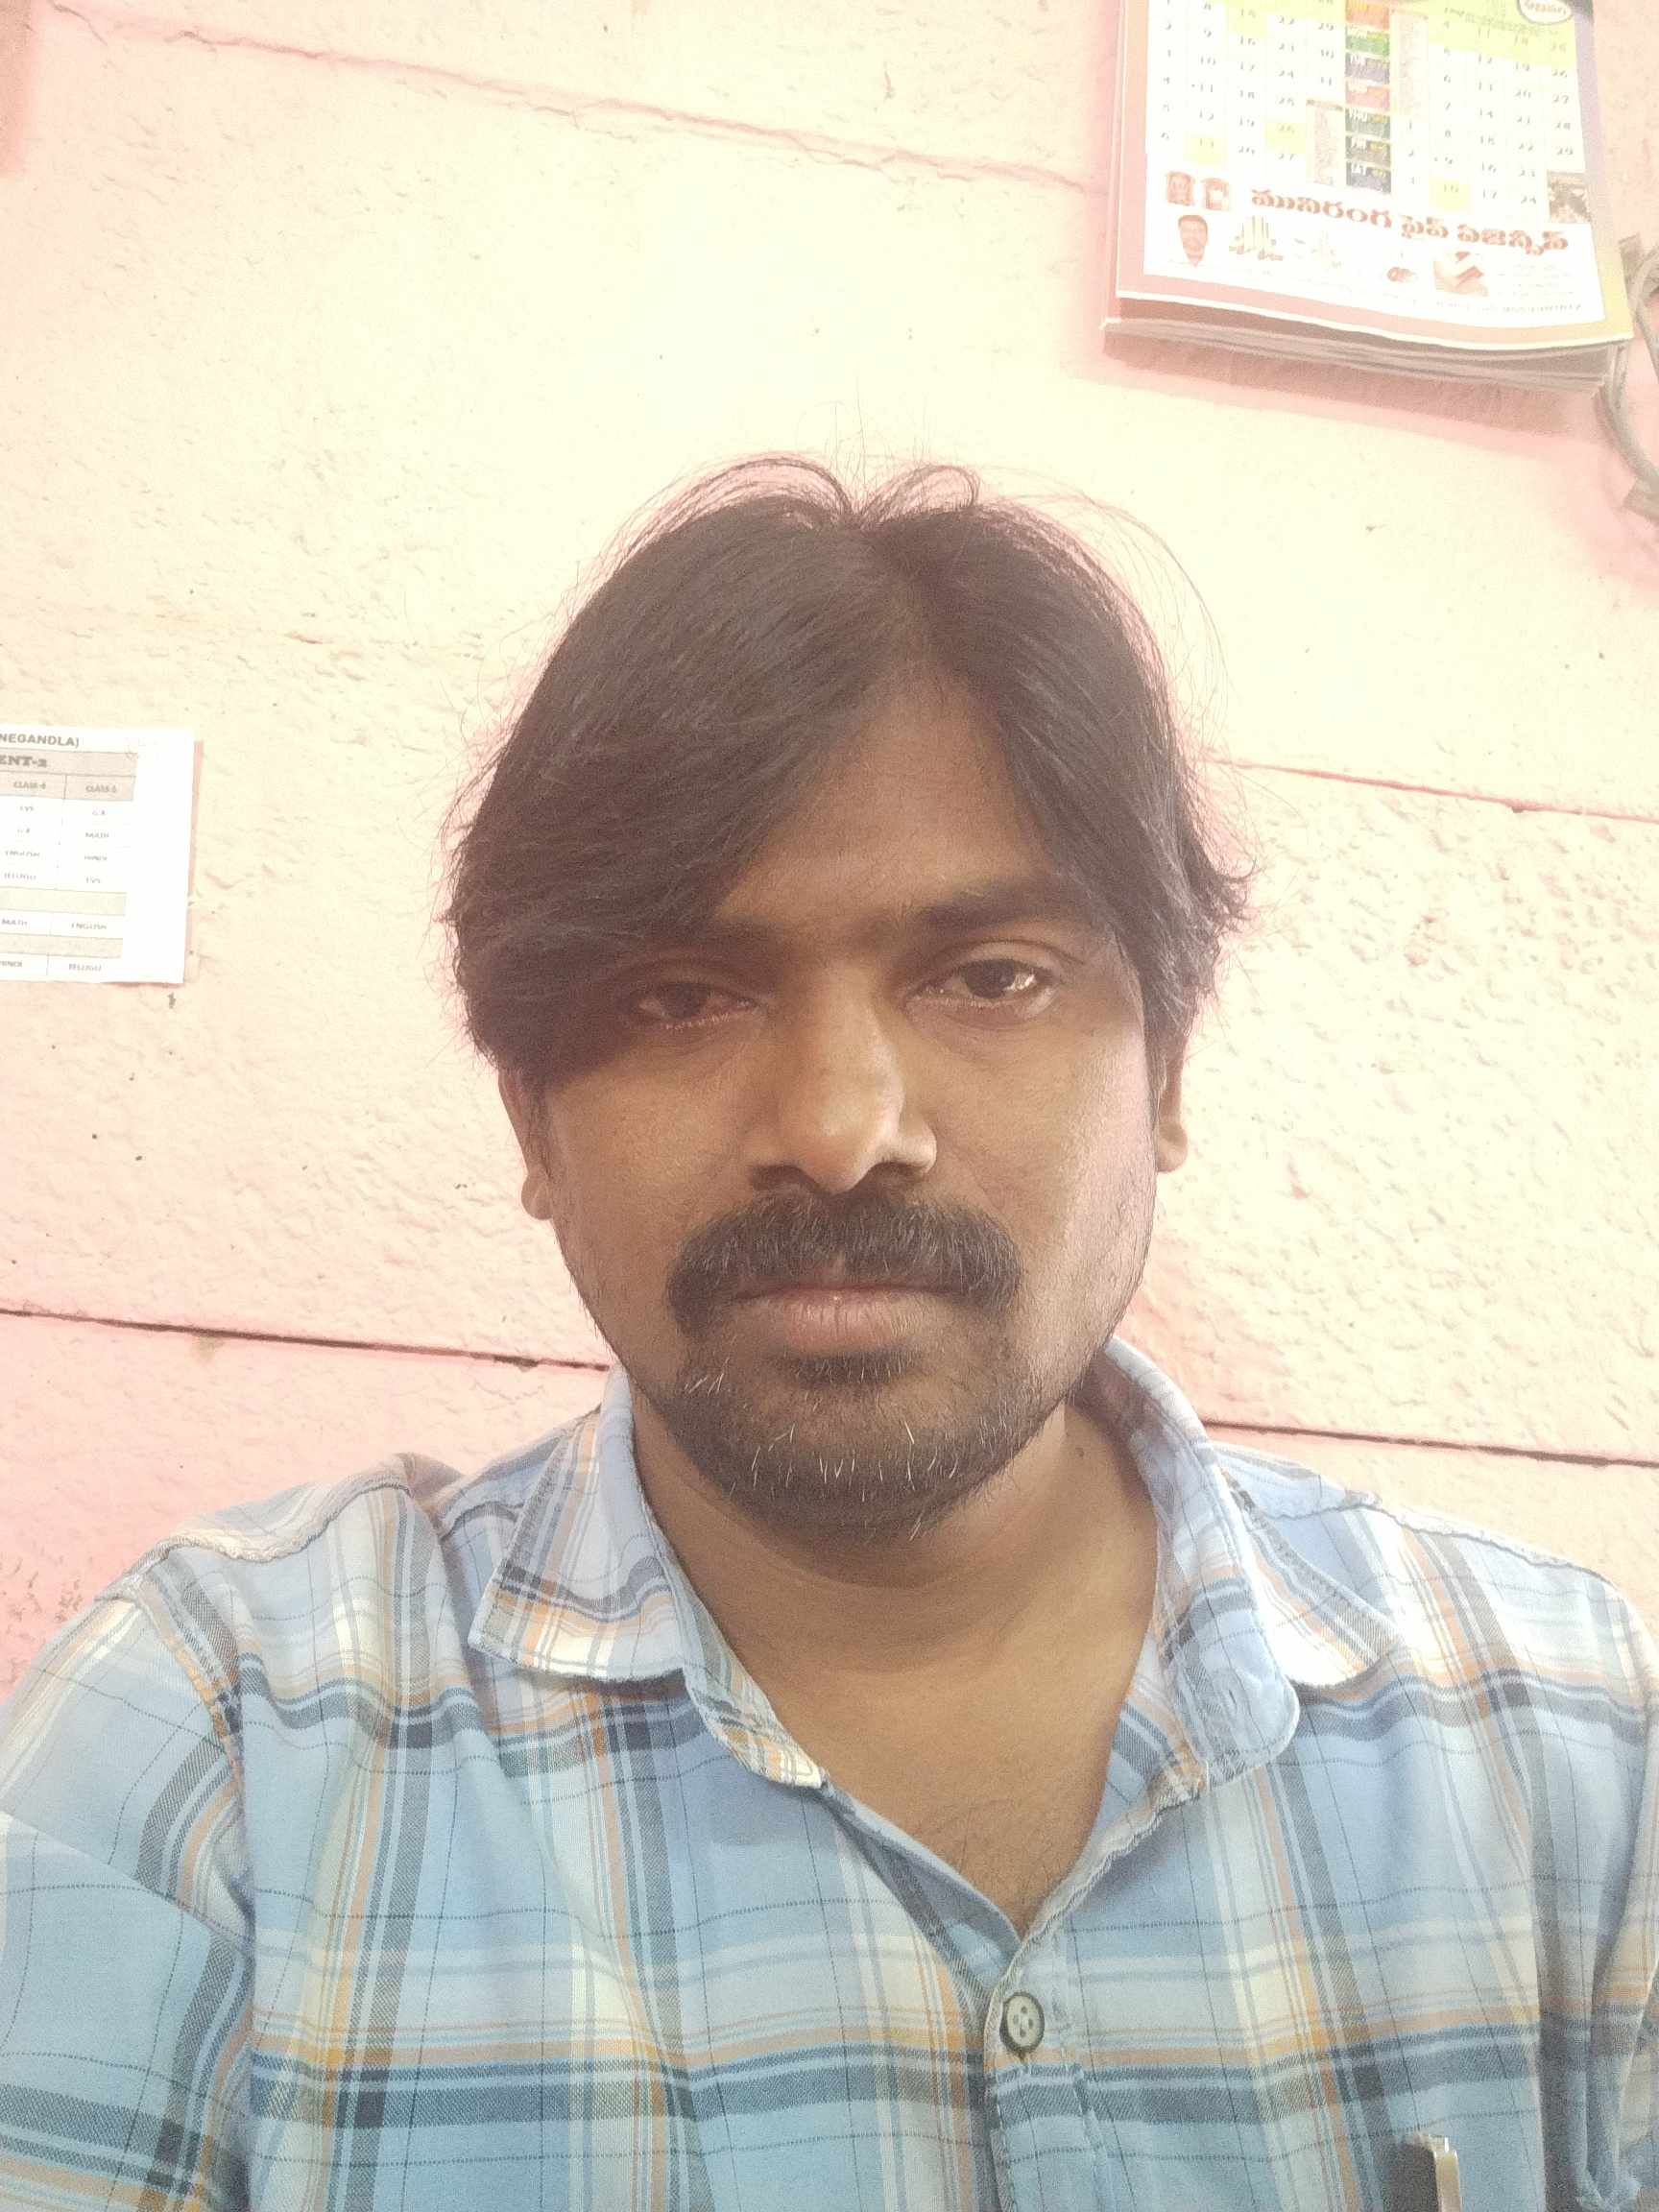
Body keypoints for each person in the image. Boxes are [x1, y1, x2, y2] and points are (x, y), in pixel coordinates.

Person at [1, 457, 1653, 2211]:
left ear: (1165, 1068)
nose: (845, 1128)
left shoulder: (1566, 1735)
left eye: (992, 975)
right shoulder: (221, 1744)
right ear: (531, 1122)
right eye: (680, 996)